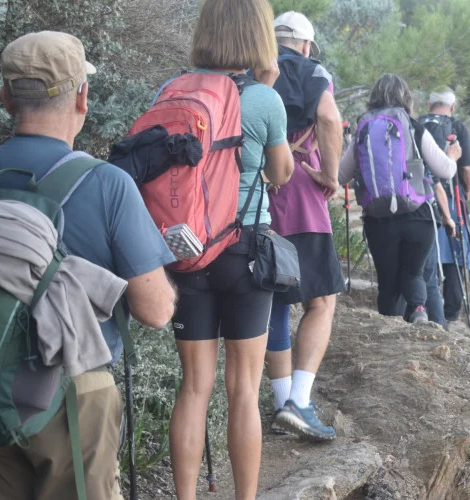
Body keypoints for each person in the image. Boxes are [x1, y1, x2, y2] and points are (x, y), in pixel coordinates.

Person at [0, 31, 176, 499]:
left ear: (6, 97)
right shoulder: (108, 184)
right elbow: (155, 311)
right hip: (71, 392)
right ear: (82, 97)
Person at [166, 0, 294, 498]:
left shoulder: (173, 91)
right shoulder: (263, 99)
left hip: (188, 247)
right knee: (243, 390)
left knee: (193, 387)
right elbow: (281, 173)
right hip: (245, 251)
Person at [264, 11, 345, 441]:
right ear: (307, 44)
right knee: (321, 301)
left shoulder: (253, 68)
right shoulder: (310, 71)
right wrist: (330, 174)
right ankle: (298, 401)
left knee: (274, 299)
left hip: (255, 196)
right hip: (300, 194)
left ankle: (281, 404)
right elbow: (329, 119)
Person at [339, 74, 460, 324]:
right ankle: (418, 309)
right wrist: (453, 156)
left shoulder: (363, 128)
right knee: (414, 272)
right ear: (406, 98)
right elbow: (445, 170)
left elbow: (341, 176)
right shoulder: (413, 127)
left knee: (388, 282)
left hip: (378, 219)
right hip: (418, 216)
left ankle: (390, 329)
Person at [420, 88, 470, 324]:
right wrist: (467, 191)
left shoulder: (417, 124)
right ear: (452, 107)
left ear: (429, 104)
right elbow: (467, 168)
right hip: (451, 196)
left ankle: (423, 306)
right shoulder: (457, 127)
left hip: (421, 195)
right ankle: (451, 311)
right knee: (455, 252)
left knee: (428, 251)